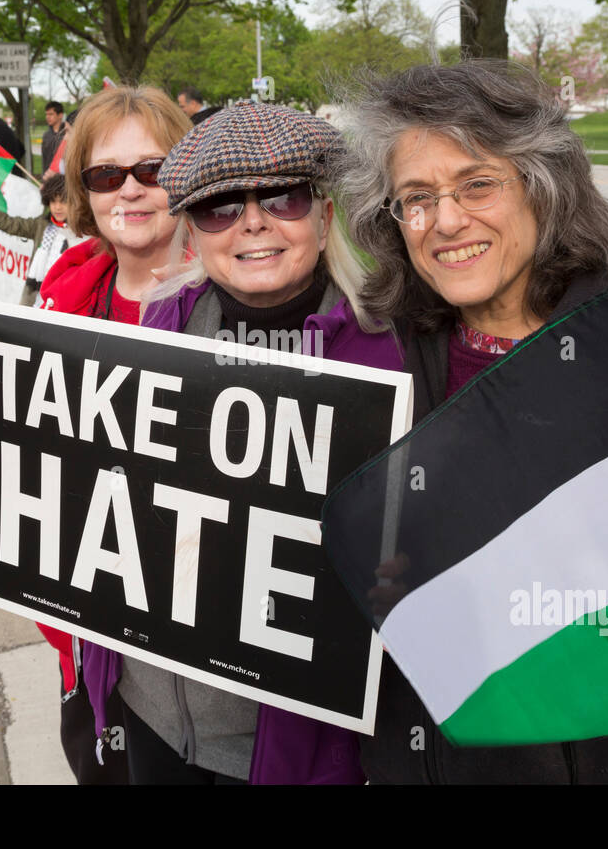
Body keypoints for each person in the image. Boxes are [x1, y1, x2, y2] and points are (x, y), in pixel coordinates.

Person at [332, 59, 608, 784]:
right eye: (416, 198)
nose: (446, 221)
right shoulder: (378, 360)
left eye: (476, 184)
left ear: (543, 190)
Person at [75, 99, 401, 785]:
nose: (252, 222)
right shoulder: (160, 323)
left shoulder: (392, 353)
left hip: (288, 743)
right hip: (153, 715)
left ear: (324, 214)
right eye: (221, 206)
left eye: (282, 198)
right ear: (194, 230)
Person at [0, 84, 191, 784]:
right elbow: (23, 452)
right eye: (107, 175)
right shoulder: (63, 298)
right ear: (84, 190)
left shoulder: (241, 298)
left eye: (154, 171)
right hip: (91, 649)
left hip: (206, 669)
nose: (130, 192)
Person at [0, 173, 85, 306]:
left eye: (63, 201)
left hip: (66, 299)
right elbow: (10, 224)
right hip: (35, 298)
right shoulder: (42, 225)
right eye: (53, 201)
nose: (57, 207)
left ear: (74, 202)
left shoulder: (83, 233)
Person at [40, 101, 66, 179]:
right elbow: (44, 159)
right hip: (50, 179)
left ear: (60, 115)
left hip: (65, 179)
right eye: (46, 114)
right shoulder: (46, 136)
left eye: (51, 114)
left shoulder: (68, 134)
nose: (47, 117)